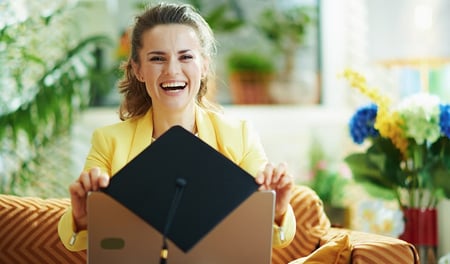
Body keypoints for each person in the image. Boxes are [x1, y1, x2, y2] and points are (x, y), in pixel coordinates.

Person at [58, 2, 296, 252]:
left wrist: (277, 211)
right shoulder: (109, 141)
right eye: (157, 58)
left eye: (185, 57)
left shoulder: (239, 136)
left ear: (204, 65)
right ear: (138, 69)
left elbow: (270, 236)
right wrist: (82, 218)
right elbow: (75, 241)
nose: (172, 70)